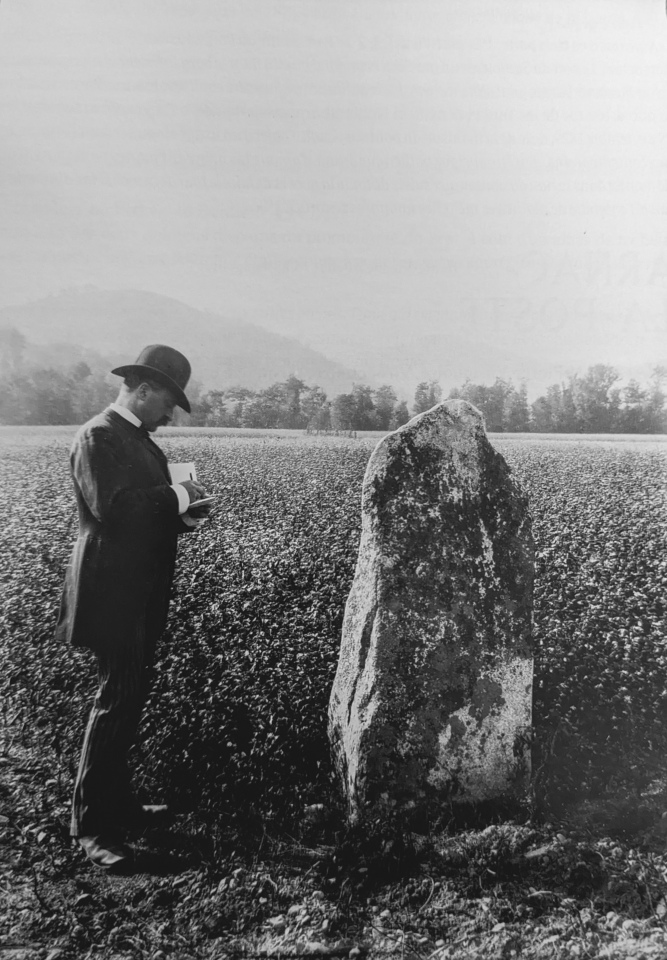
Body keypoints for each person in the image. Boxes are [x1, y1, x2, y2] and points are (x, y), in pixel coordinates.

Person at [56, 344, 212, 869]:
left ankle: (116, 805)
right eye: (168, 402)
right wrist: (178, 499)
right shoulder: (99, 435)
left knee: (128, 697)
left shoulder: (136, 441)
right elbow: (112, 508)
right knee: (116, 699)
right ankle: (93, 829)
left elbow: (142, 515)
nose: (170, 415)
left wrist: (183, 515)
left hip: (135, 591)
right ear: (143, 390)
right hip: (111, 593)